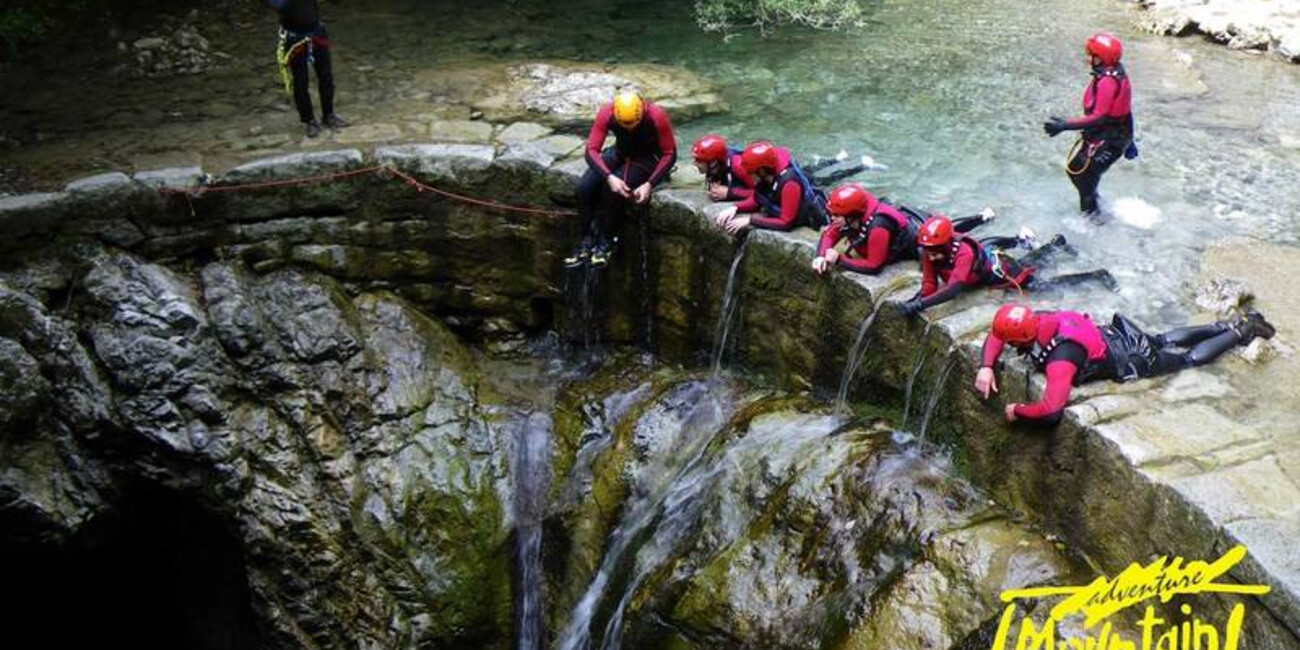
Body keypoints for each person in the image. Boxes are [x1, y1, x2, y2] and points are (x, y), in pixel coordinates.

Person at [975, 303, 1275, 425]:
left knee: (1187, 359)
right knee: (1160, 338)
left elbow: (1052, 412)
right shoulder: (1039, 318)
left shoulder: (1061, 359)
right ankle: (1222, 326)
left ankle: (1241, 331)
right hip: (1115, 335)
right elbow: (998, 334)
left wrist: (1018, 411)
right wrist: (986, 365)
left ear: (1022, 338)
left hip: (1132, 358)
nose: (1007, 344)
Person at [896, 216, 1116, 317]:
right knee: (1032, 262)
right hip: (990, 266)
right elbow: (928, 283)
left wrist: (920, 306)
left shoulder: (963, 253)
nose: (930, 255)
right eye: (927, 249)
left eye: (935, 249)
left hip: (1002, 270)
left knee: (1041, 285)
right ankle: (1056, 244)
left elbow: (953, 289)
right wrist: (914, 300)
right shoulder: (929, 251)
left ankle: (1096, 276)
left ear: (945, 244)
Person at [566, 89, 677, 269]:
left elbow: (669, 153)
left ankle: (607, 241)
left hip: (647, 159)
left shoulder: (656, 115)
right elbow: (591, 150)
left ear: (641, 112)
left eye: (633, 123)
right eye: (624, 124)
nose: (629, 127)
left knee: (614, 192)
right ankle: (587, 239)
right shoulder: (607, 113)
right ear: (616, 115)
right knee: (583, 189)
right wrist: (608, 176)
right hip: (620, 152)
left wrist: (650, 184)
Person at [813, 183, 996, 276]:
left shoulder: (878, 227)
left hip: (916, 234)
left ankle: (982, 218)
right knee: (950, 228)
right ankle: (981, 217)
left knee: (954, 235)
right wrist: (821, 255)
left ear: (852, 215)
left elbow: (874, 265)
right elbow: (830, 232)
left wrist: (840, 260)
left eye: (836, 215)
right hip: (907, 220)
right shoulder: (852, 216)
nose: (832, 218)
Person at [1044, 32, 1135, 216]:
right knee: (1078, 172)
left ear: (1102, 58)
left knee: (1083, 176)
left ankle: (1092, 223)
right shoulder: (1115, 72)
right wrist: (1130, 141)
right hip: (1114, 135)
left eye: (1092, 55)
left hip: (1109, 139)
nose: (1088, 58)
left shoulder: (1108, 81)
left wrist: (1064, 125)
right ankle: (1096, 205)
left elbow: (1099, 117)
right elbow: (1125, 111)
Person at [714, 141, 829, 235]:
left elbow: (786, 223)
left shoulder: (789, 183)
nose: (748, 176)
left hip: (810, 218)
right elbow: (757, 199)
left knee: (830, 177)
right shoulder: (765, 178)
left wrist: (750, 220)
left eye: (751, 173)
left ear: (762, 171)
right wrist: (735, 208)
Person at [269, 0, 348, 138]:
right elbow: (279, 5)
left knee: (326, 77)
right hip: (295, 39)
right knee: (300, 81)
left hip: (317, 33)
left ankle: (328, 115)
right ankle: (309, 121)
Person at [692, 135, 755, 203]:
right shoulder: (714, 167)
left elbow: (765, 194)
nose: (694, 163)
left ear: (713, 162)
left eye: (698, 160)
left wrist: (730, 193)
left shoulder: (739, 167)